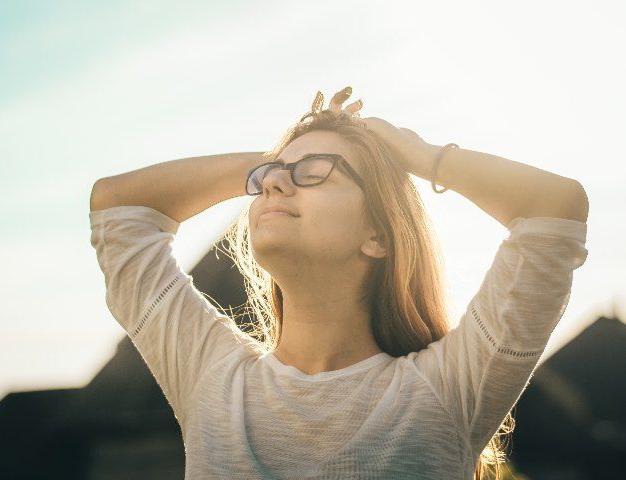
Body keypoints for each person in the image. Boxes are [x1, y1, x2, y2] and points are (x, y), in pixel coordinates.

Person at [88, 86, 589, 479]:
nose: (275, 183)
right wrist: (274, 159)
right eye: (268, 178)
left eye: (314, 172)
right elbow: (117, 206)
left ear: (378, 235)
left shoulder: (447, 388)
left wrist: (417, 155)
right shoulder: (211, 378)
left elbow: (554, 208)